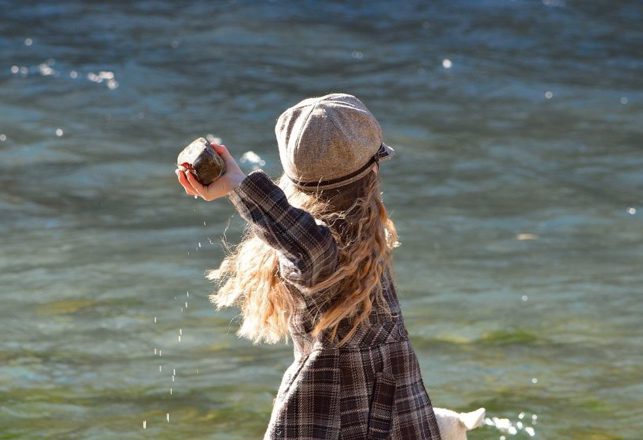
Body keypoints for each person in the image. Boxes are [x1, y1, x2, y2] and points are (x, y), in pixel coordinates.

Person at [175, 93, 442, 440]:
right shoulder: (326, 258)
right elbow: (305, 241)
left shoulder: (361, 243)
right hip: (334, 423)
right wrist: (239, 187)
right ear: (372, 171)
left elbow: (295, 231)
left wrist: (239, 183)